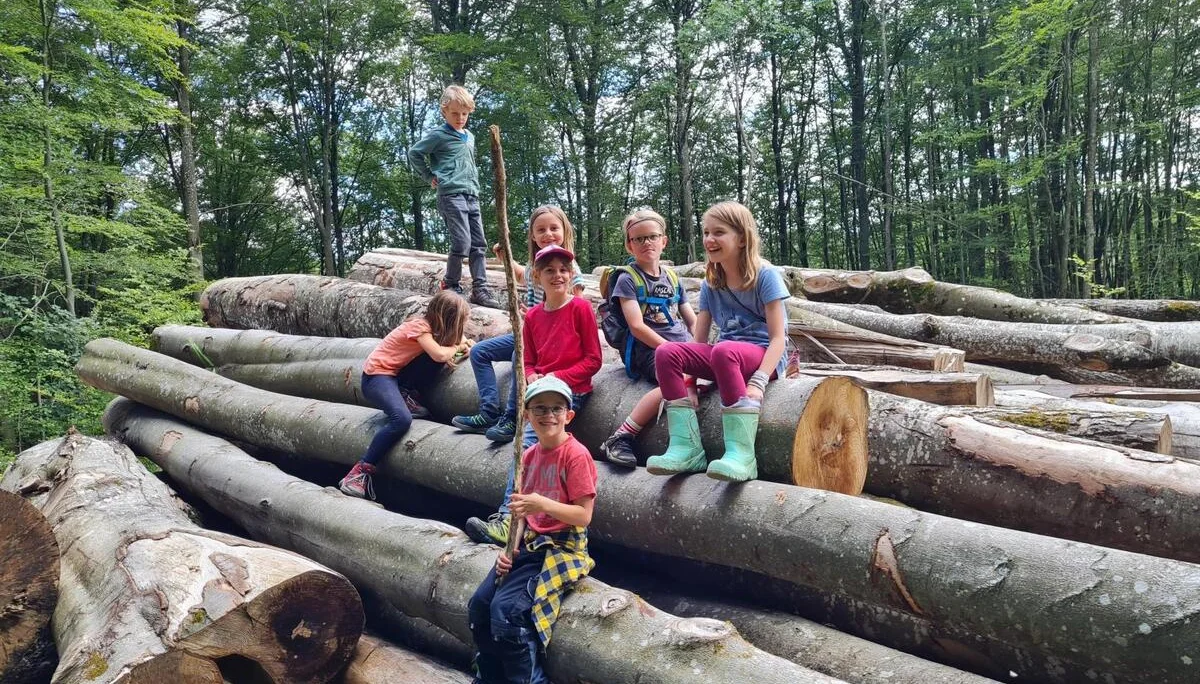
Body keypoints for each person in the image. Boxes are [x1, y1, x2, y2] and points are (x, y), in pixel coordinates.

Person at [465, 244, 602, 546]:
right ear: (537, 276)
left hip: (570, 391)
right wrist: (531, 376)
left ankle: (508, 519)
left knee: (528, 443)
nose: (558, 275)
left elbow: (593, 360)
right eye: (550, 270)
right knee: (526, 450)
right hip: (540, 391)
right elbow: (527, 359)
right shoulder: (534, 316)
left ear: (571, 274)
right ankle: (522, 520)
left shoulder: (580, 308)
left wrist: (557, 377)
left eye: (563, 270)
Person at [645, 201, 789, 482]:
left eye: (719, 232)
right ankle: (686, 449)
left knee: (723, 351)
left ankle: (742, 455)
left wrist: (758, 382)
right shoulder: (711, 282)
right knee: (667, 352)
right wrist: (689, 383)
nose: (709, 239)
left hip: (764, 357)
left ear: (742, 238)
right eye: (706, 232)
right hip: (726, 356)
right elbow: (698, 342)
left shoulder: (766, 276)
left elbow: (778, 339)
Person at [467, 375, 597, 684]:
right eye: (539, 408)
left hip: (562, 548)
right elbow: (521, 513)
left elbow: (583, 516)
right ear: (527, 415)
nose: (548, 415)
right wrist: (510, 549)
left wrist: (543, 504)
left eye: (556, 408)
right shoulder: (528, 455)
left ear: (569, 415)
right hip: (530, 544)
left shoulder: (576, 455)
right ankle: (490, 676)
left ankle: (528, 680)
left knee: (508, 613)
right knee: (480, 606)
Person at [451, 206, 585, 443]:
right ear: (532, 235)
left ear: (565, 231)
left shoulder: (570, 268)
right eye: (541, 230)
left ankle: (513, 417)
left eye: (554, 228)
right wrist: (507, 259)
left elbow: (574, 307)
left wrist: (540, 315)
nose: (548, 234)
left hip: (551, 341)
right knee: (480, 351)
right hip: (530, 333)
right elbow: (524, 276)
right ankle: (489, 411)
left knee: (518, 355)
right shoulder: (534, 266)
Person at [338, 290, 472, 499]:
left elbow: (461, 343)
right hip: (376, 377)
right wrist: (459, 347)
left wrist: (465, 345)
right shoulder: (420, 327)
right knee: (401, 420)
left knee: (435, 357)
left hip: (395, 376)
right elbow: (439, 354)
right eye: (459, 321)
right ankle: (359, 471)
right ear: (448, 318)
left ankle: (405, 394)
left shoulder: (434, 331)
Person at [598, 209, 697, 467]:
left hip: (681, 346)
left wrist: (701, 348)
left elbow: (692, 320)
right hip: (649, 351)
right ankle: (621, 436)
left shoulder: (673, 278)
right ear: (629, 245)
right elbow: (637, 326)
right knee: (677, 383)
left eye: (652, 237)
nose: (647, 243)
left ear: (663, 241)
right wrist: (671, 351)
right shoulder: (628, 279)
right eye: (639, 239)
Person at [407, 84, 501, 309]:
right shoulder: (438, 135)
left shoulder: (469, 136)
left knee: (478, 244)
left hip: (472, 194)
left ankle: (480, 289)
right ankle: (450, 284)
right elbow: (414, 153)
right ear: (444, 111)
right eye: (455, 113)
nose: (460, 118)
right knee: (462, 242)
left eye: (465, 114)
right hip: (451, 194)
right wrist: (429, 176)